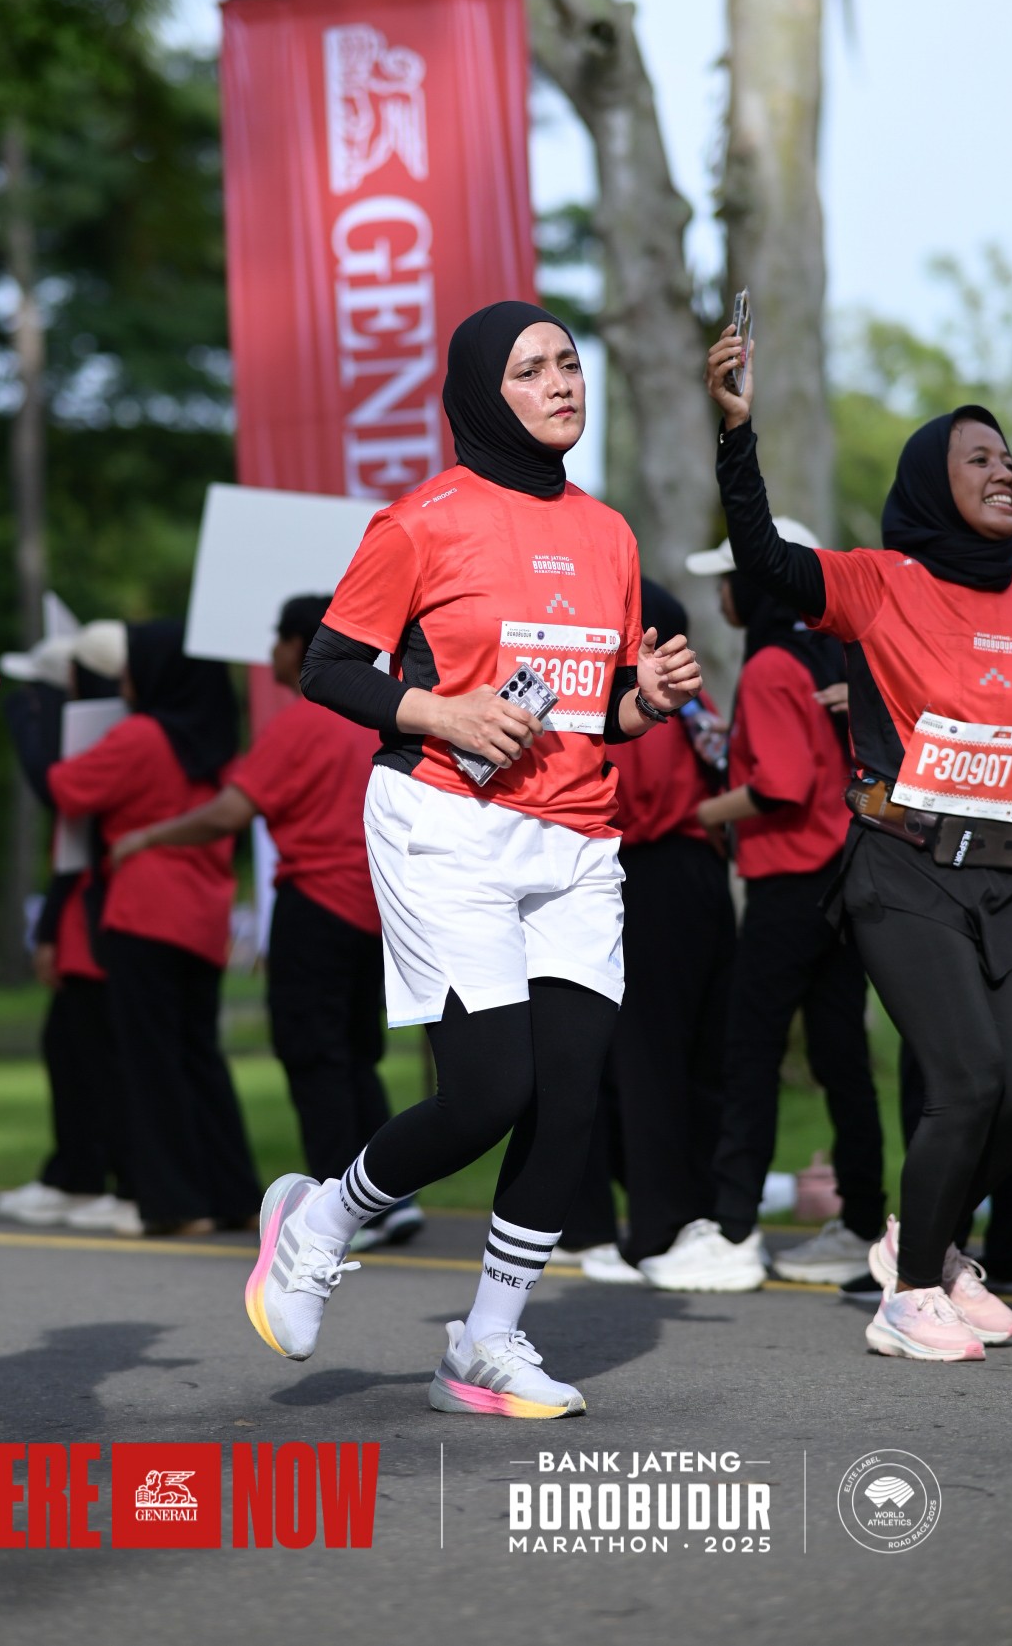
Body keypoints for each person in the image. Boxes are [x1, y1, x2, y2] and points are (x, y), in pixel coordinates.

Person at [242, 299, 701, 1419]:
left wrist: (644, 701)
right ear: (481, 394)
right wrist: (441, 712)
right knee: (491, 1089)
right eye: (531, 369)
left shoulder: (610, 534)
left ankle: (485, 1342)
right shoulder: (421, 520)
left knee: (570, 1091)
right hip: (446, 822)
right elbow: (329, 669)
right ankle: (321, 1219)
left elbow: (591, 711)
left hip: (577, 836)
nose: (562, 383)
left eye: (569, 363)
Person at [706, 321, 1012, 1362]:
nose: (1003, 472)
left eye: (1008, 459)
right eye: (978, 459)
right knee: (966, 1079)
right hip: (903, 869)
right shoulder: (880, 583)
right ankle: (910, 1291)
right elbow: (765, 558)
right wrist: (736, 435)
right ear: (931, 482)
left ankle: (926, 1241)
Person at [112, 594, 422, 1248]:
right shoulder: (382, 717)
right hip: (378, 906)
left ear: (303, 645)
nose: (272, 653)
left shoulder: (302, 720)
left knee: (314, 1055)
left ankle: (343, 1206)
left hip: (317, 903)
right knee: (356, 1055)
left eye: (278, 640)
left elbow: (231, 811)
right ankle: (392, 1198)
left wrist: (149, 837)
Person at [645, 522, 885, 1293]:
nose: (722, 594)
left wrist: (703, 813)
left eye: (730, 578)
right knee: (841, 1056)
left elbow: (780, 785)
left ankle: (734, 1229)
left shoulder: (771, 662)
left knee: (749, 1053)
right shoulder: (830, 653)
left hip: (789, 885)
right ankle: (863, 1223)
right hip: (844, 877)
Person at [47, 620, 260, 1236]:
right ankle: (233, 1195)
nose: (126, 678)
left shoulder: (142, 736)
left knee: (150, 1064)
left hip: (143, 912)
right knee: (200, 1059)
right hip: (205, 915)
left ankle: (174, 1203)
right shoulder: (221, 745)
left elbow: (65, 787)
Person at [567, 580, 736, 1285]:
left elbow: (625, 796)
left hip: (646, 872)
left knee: (648, 1059)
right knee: (693, 1056)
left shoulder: (635, 704)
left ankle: (659, 1223)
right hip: (699, 876)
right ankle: (690, 1211)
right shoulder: (696, 699)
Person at [0, 634, 135, 1232]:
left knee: (96, 1056)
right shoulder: (120, 735)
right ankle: (77, 1171)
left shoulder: (123, 738)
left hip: (105, 916)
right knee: (73, 1049)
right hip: (90, 913)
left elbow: (58, 790)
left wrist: (26, 721)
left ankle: (95, 1175)